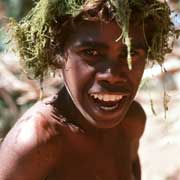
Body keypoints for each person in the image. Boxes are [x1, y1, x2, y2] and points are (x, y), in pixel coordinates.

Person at [0, 0, 177, 180]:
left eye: (130, 54)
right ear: (56, 54)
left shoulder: (131, 122)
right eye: (91, 53)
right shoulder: (36, 143)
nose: (112, 74)